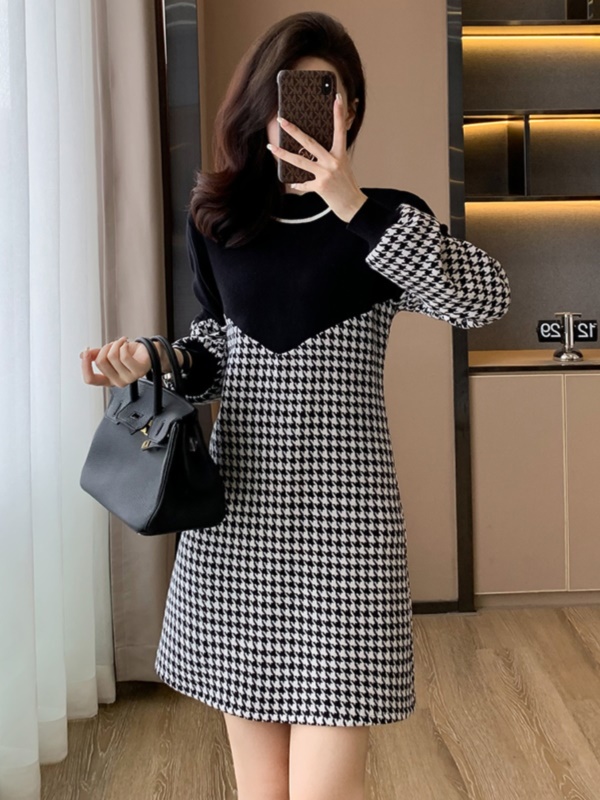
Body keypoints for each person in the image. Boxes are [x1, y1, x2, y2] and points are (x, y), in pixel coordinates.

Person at [80, 11, 510, 800]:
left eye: (329, 92)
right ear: (261, 103)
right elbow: (214, 357)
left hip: (347, 528)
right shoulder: (219, 221)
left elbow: (484, 300)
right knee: (261, 788)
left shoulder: (386, 219)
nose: (310, 108)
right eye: (294, 90)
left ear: (351, 110)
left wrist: (353, 205)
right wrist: (153, 359)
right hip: (240, 526)